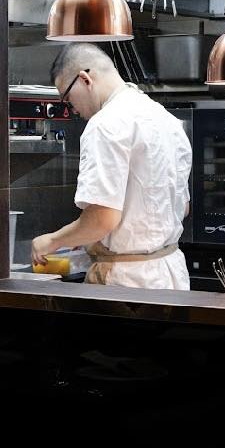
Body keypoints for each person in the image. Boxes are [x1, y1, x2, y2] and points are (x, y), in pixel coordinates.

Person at [31, 44, 192, 291]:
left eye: (67, 98)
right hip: (171, 273)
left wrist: (52, 240)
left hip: (127, 282)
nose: (72, 109)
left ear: (85, 79)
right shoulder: (166, 119)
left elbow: (102, 219)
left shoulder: (104, 125)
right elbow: (182, 206)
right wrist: (85, 236)